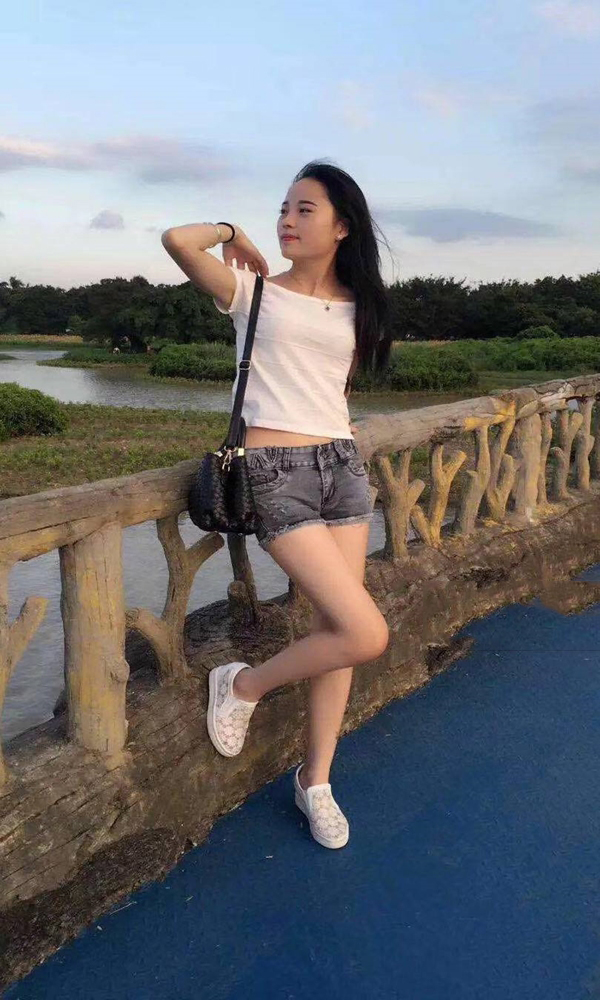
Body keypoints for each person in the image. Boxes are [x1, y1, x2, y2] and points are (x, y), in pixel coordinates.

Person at [161, 159, 393, 849]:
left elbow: (335, 390)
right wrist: (232, 232)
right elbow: (177, 241)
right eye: (284, 209)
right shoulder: (251, 292)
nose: (287, 221)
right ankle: (242, 685)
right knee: (366, 633)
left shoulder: (359, 306)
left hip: (341, 469)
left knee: (339, 631)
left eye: (304, 210)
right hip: (274, 472)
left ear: (342, 226)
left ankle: (315, 781)